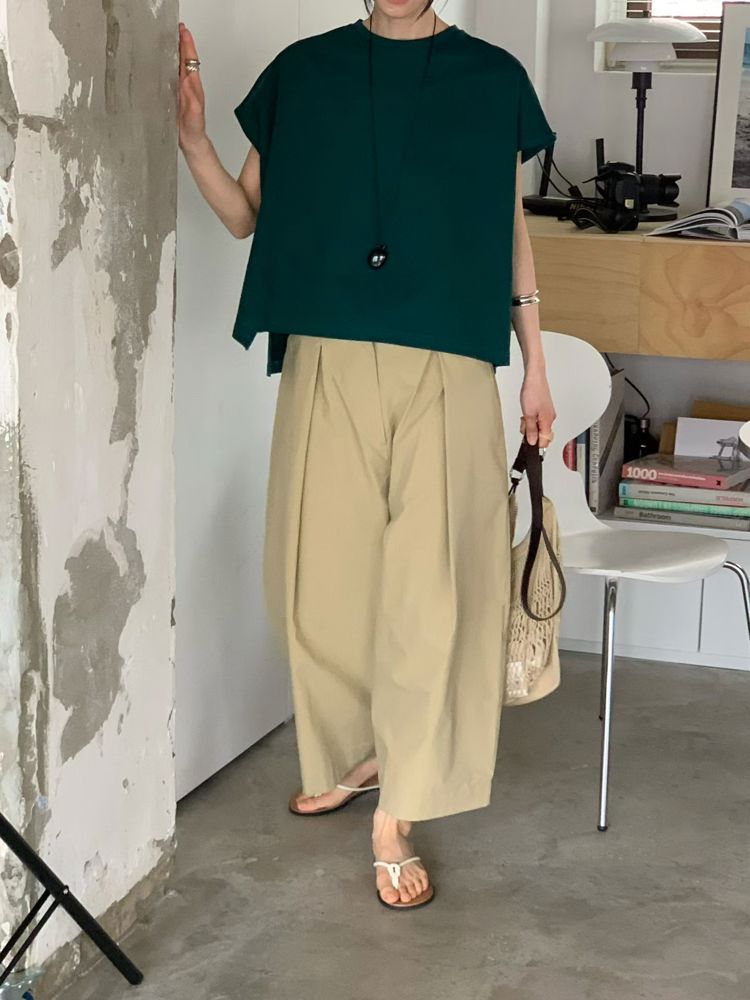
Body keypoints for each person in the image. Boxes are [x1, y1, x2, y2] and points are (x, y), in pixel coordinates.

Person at [178, 0, 557, 911]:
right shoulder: (305, 73)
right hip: (329, 355)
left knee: (432, 590)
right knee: (319, 584)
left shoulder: (492, 78)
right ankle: (363, 753)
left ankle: (400, 810)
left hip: (450, 362)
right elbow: (245, 215)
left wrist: (536, 365)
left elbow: (506, 230)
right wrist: (193, 141)